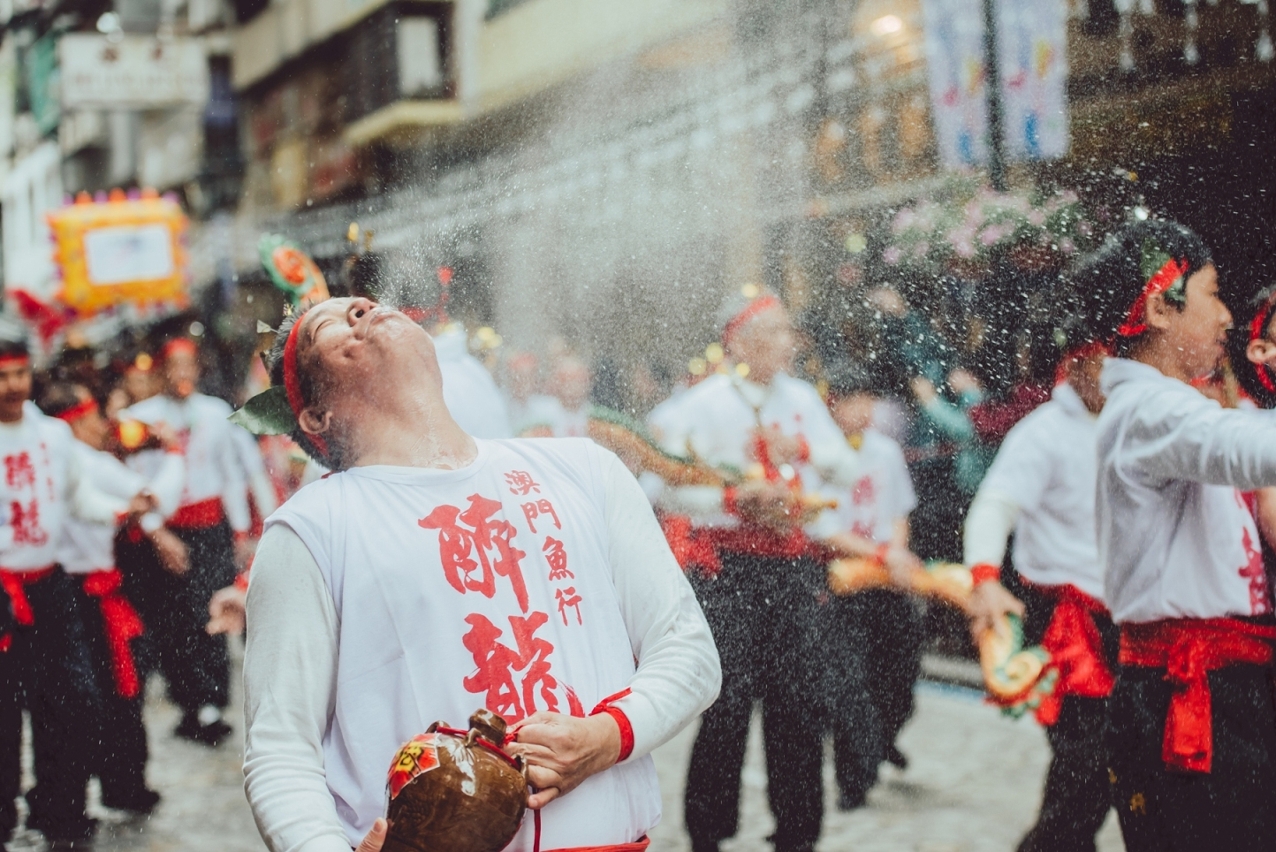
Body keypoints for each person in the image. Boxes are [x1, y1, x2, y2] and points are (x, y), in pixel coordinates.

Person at [240, 296, 720, 851]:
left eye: (364, 304)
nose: (362, 311)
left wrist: (606, 736)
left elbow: (689, 651)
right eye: (332, 324)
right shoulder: (311, 530)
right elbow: (280, 751)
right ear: (316, 416)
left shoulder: (583, 468)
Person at [1072, 219, 1276, 851]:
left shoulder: (1158, 406)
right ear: (1161, 306)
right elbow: (1252, 451)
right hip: (1192, 690)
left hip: (1218, 683)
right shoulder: (1146, 408)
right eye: (1213, 294)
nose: (1226, 318)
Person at [651, 286, 861, 852]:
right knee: (725, 703)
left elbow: (846, 469)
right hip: (728, 570)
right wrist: (732, 501)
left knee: (799, 703)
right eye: (772, 333)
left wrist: (802, 451)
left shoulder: (801, 400)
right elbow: (662, 486)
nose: (785, 344)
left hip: (792, 569)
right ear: (738, 340)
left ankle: (798, 831)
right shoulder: (703, 403)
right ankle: (708, 832)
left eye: (788, 332)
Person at [963, 341, 1116, 852]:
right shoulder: (1043, 431)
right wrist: (985, 577)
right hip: (1070, 618)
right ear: (1075, 366)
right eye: (1104, 361)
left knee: (1110, 762)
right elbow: (994, 504)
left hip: (1127, 615)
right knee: (1088, 758)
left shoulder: (1127, 423)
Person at [0, 339, 148, 843]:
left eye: (19, 373)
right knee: (3, 716)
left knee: (74, 702)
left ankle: (60, 812)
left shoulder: (51, 435)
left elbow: (75, 494)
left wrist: (116, 512)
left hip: (50, 586)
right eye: (3, 376)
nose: (12, 386)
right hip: (2, 594)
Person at [38, 381, 186, 816]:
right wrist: (174, 454)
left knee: (67, 702)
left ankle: (66, 800)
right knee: (113, 696)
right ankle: (117, 788)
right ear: (79, 421)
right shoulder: (85, 462)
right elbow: (159, 499)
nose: (104, 424)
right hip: (85, 597)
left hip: (61, 592)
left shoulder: (56, 458)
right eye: (95, 416)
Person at [117, 336, 251, 746]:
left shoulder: (215, 412)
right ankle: (191, 702)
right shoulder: (140, 418)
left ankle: (211, 702)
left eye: (189, 364)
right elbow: (134, 480)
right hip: (165, 530)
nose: (183, 374)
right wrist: (157, 533)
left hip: (211, 527)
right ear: (160, 371)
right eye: (174, 365)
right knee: (175, 619)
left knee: (211, 610)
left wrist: (242, 531)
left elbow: (230, 473)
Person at [811, 363, 923, 811]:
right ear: (834, 403)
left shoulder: (886, 451)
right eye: (853, 400)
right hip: (839, 584)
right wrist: (876, 555)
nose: (863, 410)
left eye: (868, 400)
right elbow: (820, 528)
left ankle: (883, 738)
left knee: (900, 676)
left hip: (886, 582)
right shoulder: (819, 453)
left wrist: (894, 553)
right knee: (850, 685)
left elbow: (899, 512)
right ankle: (853, 780)